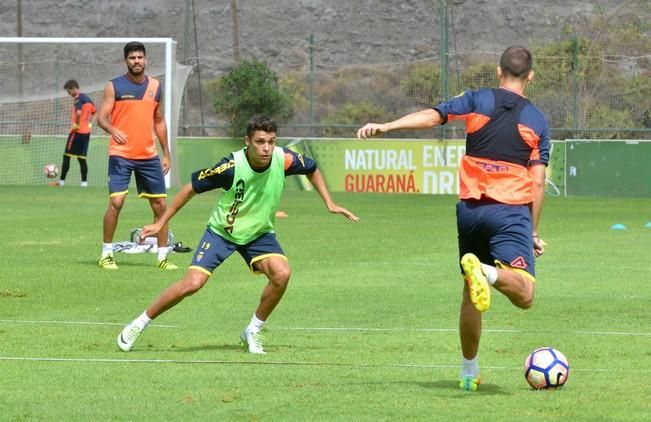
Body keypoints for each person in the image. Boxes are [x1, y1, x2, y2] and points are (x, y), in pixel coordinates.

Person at [357, 46, 549, 391]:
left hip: (471, 211)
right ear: (530, 76)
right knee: (526, 295)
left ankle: (468, 371)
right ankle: (488, 272)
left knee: (469, 291)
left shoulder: (477, 100)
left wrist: (387, 126)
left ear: (497, 70)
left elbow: (433, 115)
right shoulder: (536, 119)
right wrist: (533, 231)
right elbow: (536, 181)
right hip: (510, 211)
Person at [117, 114, 359, 354]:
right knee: (192, 284)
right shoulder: (230, 167)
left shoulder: (283, 159)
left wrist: (329, 203)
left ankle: (252, 330)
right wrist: (160, 223)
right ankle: (138, 324)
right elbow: (191, 189)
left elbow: (313, 168)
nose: (266, 148)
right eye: (260, 141)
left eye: (271, 141)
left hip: (258, 234)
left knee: (282, 274)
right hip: (222, 232)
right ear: (247, 141)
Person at [97, 41, 176, 271]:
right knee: (117, 201)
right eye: (132, 58)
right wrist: (112, 129)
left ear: (146, 60)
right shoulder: (114, 86)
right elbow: (101, 117)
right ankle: (106, 253)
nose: (137, 61)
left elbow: (159, 121)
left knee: (160, 205)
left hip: (148, 155)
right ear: (126, 61)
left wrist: (166, 153)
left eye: (140, 57)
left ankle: (163, 257)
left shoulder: (156, 87)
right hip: (120, 154)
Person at [58, 79, 96, 187]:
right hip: (86, 133)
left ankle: (61, 182)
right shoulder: (87, 98)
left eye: (68, 91)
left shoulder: (78, 98)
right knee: (81, 158)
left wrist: (77, 124)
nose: (68, 94)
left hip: (76, 132)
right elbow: (95, 112)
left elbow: (79, 112)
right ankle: (84, 183)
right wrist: (90, 124)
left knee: (66, 156)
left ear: (73, 88)